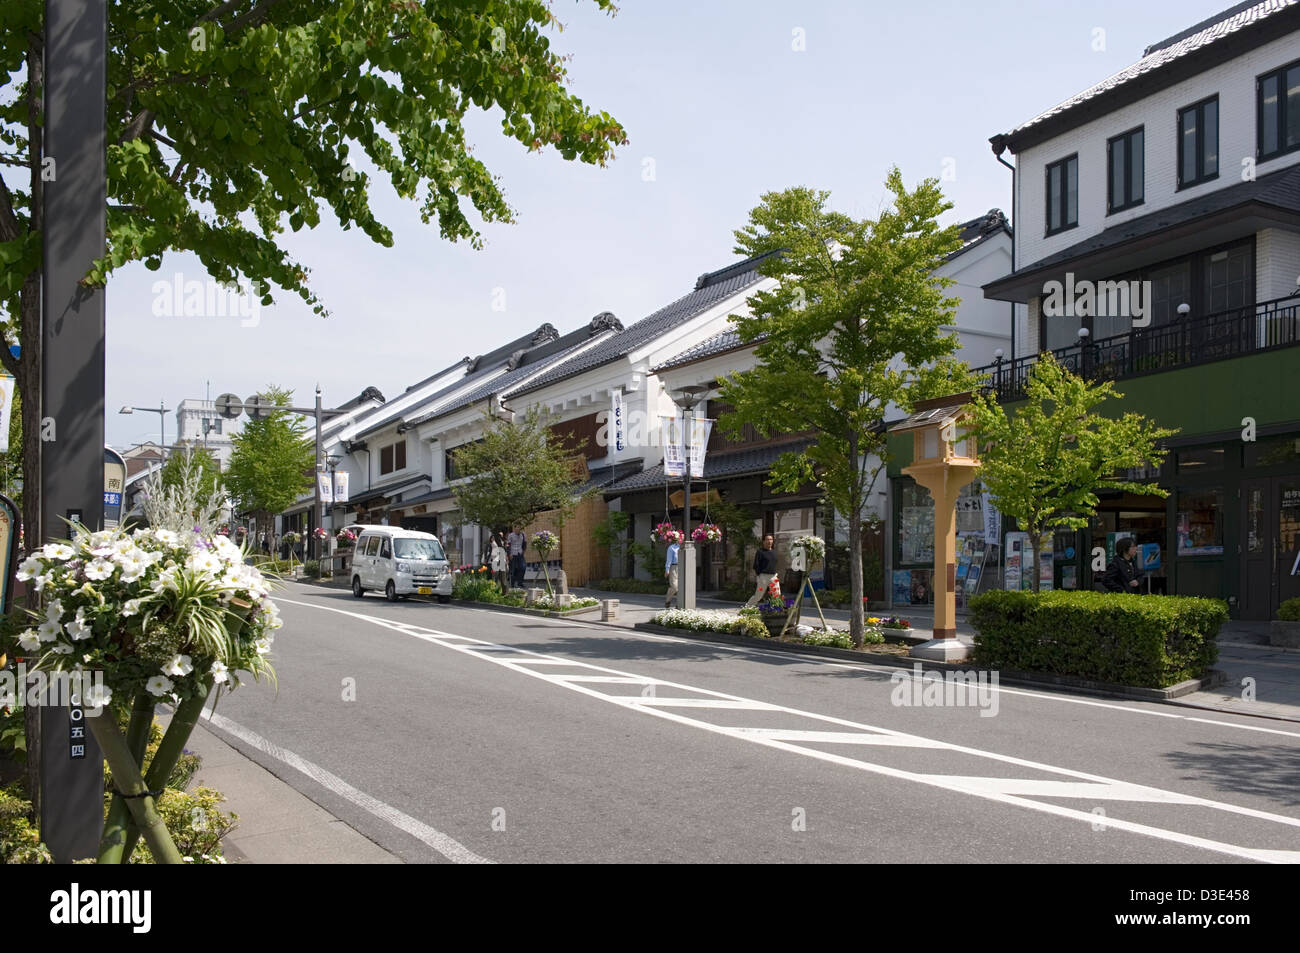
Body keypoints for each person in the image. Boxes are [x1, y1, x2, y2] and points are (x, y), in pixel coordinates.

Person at [744, 534, 780, 607]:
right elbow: (756, 565)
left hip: (773, 577)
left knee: (777, 595)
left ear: (773, 541)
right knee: (758, 595)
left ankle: (776, 610)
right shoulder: (760, 552)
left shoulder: (774, 552)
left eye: (771, 539)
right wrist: (759, 575)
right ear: (763, 541)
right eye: (767, 539)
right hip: (763, 577)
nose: (769, 541)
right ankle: (747, 607)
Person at [664, 531, 681, 608]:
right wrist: (667, 570)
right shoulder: (671, 548)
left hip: (682, 567)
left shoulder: (683, 547)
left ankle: (676, 604)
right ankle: (670, 600)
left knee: (679, 587)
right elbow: (669, 560)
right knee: (675, 587)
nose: (681, 539)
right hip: (673, 568)